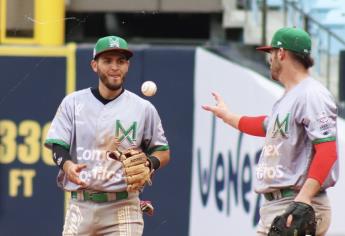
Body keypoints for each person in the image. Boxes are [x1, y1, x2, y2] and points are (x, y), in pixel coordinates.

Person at [203, 27, 338, 236]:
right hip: (279, 205)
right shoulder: (290, 96)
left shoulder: (312, 95)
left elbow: (328, 151)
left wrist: (303, 199)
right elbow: (267, 126)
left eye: (271, 54)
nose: (270, 60)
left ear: (281, 54)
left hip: (297, 203)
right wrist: (228, 116)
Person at [45, 35, 170, 236]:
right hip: (81, 204)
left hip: (123, 206)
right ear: (94, 65)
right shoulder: (73, 103)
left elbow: (162, 151)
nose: (115, 67)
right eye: (107, 61)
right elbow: (57, 145)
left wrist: (149, 163)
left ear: (127, 66)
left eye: (121, 61)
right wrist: (67, 166)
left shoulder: (143, 108)